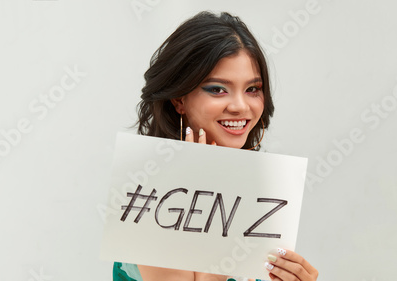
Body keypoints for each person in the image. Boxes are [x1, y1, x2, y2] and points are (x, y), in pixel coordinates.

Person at [113, 11, 319, 281]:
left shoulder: (262, 193)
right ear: (179, 100)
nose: (240, 106)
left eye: (252, 89)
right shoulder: (153, 197)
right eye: (218, 89)